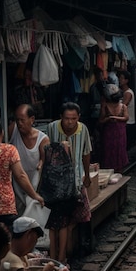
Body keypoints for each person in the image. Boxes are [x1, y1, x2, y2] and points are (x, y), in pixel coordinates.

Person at [46, 102, 92, 258]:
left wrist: (87, 175)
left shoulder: (83, 129)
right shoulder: (51, 128)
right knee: (59, 219)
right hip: (55, 182)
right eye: (67, 118)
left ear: (78, 117)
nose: (70, 122)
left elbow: (86, 153)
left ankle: (80, 246)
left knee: (83, 213)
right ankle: (62, 254)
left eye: (73, 118)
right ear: (61, 118)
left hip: (77, 179)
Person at [0, 118, 44, 230]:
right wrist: (34, 195)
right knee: (7, 239)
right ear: (2, 133)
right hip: (5, 206)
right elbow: (20, 176)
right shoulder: (9, 150)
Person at [9, 104, 50, 215]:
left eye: (22, 120)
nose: (19, 123)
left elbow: (44, 161)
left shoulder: (42, 139)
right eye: (17, 120)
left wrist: (41, 163)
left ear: (32, 120)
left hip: (35, 186)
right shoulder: (13, 130)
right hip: (16, 186)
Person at [99, 83, 129, 173]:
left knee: (109, 149)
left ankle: (110, 169)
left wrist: (111, 118)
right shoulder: (123, 106)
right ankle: (119, 170)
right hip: (120, 132)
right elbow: (126, 118)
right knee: (120, 149)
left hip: (109, 132)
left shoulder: (105, 106)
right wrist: (115, 118)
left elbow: (101, 120)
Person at [117, 70, 136, 149]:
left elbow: (123, 107)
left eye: (122, 78)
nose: (119, 80)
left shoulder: (128, 93)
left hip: (128, 122)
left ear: (126, 80)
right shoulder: (124, 92)